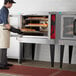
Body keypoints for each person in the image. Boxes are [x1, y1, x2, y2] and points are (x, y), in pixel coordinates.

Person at [0, 0, 22, 69]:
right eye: (11, 4)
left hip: (4, 30)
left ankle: (4, 62)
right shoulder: (4, 10)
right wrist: (17, 31)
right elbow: (6, 24)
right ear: (8, 3)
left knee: (5, 46)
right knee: (3, 47)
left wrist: (16, 30)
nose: (12, 5)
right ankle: (2, 65)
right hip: (2, 29)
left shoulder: (5, 9)